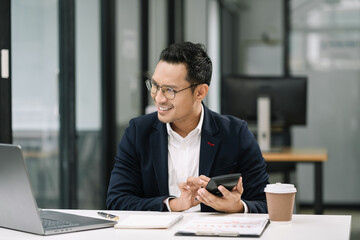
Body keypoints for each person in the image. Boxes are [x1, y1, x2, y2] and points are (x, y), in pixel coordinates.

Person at [107, 41, 269, 213]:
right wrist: (174, 205)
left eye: (170, 90)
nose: (159, 98)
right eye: (155, 86)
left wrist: (236, 206)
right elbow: (117, 201)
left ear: (200, 92)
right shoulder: (138, 132)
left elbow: (265, 204)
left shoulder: (235, 133)